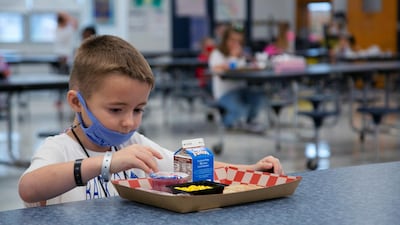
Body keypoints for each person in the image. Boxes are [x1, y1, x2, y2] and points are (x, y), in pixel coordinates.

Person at [18, 35, 284, 207]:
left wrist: (251, 169)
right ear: (77, 102)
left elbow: (191, 167)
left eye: (138, 110)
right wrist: (106, 163)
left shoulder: (134, 144)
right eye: (116, 110)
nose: (128, 123)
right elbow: (28, 188)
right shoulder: (59, 148)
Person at [208, 24, 266, 133]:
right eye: (232, 40)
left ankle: (249, 121)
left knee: (258, 97)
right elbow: (218, 68)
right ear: (225, 40)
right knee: (240, 110)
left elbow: (247, 67)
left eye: (239, 42)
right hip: (224, 94)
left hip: (241, 90)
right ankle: (227, 122)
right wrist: (233, 57)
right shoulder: (217, 54)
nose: (235, 44)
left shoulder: (242, 56)